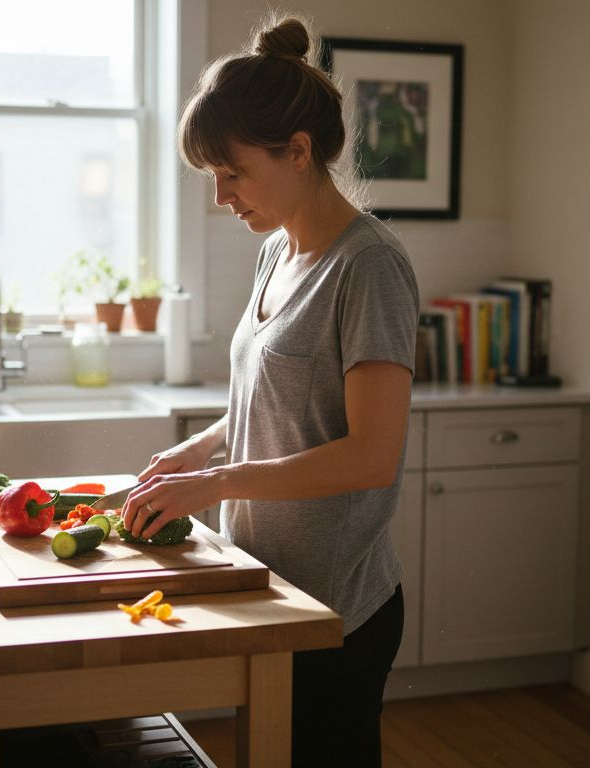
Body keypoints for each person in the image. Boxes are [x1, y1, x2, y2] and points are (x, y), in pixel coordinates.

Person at [119, 13, 419, 767]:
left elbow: (370, 457)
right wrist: (190, 456)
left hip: (337, 609)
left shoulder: (369, 266)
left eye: (233, 173)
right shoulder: (277, 253)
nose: (222, 197)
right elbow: (267, 404)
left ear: (298, 152)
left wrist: (216, 481)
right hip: (269, 585)